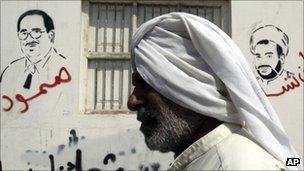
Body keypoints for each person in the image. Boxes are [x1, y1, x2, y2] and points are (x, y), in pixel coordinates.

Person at [127, 13, 302, 170]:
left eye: (145, 85)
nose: (132, 102)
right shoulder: (205, 159)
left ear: (193, 88)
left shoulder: (239, 166)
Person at [0, 9, 70, 114]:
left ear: (51, 36)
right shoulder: (10, 72)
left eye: (36, 32)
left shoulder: (64, 72)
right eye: (24, 33)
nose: (29, 39)